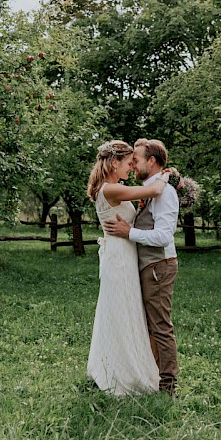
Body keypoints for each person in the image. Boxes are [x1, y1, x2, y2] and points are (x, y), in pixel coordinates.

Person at [86, 140, 175, 396]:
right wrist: (167, 176)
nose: (131, 167)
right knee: (121, 312)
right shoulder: (110, 189)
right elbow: (154, 190)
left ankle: (129, 366)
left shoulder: (112, 188)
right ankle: (122, 372)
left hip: (126, 254)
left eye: (134, 162)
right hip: (120, 258)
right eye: (128, 162)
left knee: (126, 312)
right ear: (114, 163)